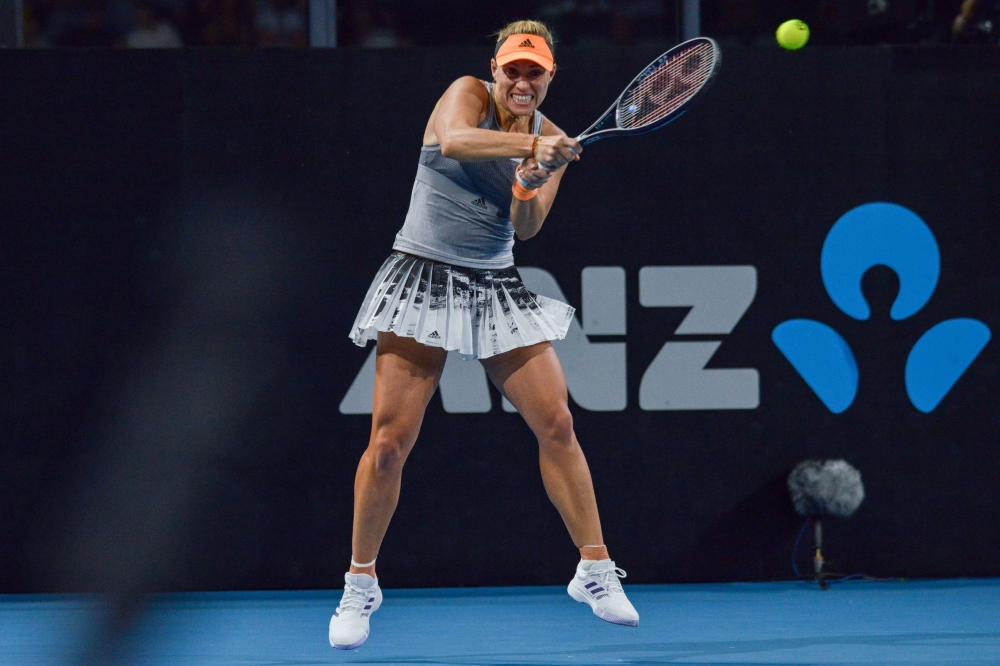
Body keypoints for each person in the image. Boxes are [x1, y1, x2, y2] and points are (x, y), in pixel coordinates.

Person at [328, 19, 640, 650]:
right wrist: (525, 152)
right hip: (423, 274)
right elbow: (453, 141)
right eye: (513, 69)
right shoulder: (466, 93)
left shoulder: (555, 140)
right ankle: (360, 583)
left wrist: (534, 174)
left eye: (535, 71)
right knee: (389, 443)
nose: (522, 81)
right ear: (495, 71)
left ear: (552, 77)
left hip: (495, 286)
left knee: (557, 424)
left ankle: (594, 569)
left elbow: (526, 228)